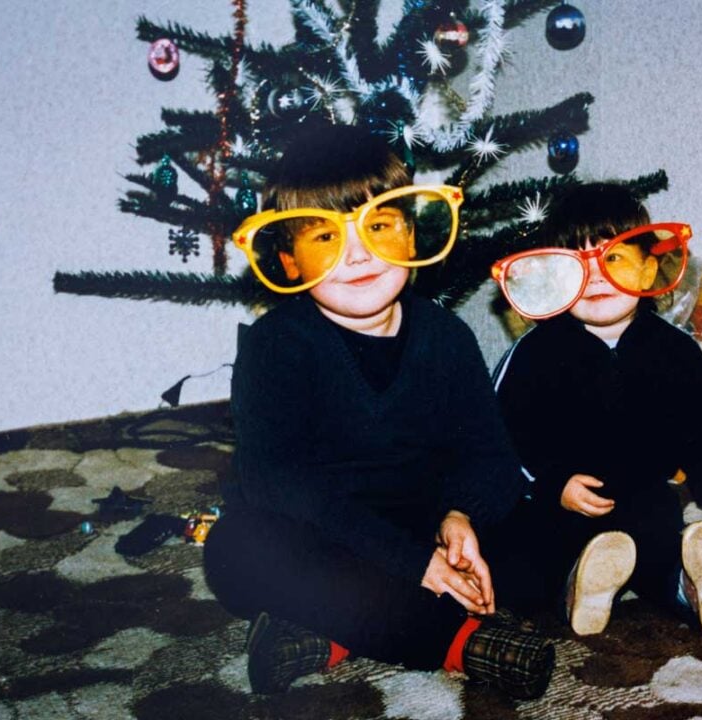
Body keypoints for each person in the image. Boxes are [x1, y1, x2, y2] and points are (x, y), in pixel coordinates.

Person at [203, 123, 554, 700]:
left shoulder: (447, 336)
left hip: (419, 519)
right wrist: (413, 564)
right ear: (288, 261)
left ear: (411, 236)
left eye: (380, 225)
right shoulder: (275, 346)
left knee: (533, 537)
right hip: (320, 528)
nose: (358, 253)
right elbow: (278, 482)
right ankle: (455, 642)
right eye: (325, 236)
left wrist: (460, 516)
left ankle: (331, 631)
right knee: (237, 552)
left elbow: (490, 453)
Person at [485, 182, 702, 636]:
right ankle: (576, 587)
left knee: (658, 536)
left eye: (613, 257)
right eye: (578, 265)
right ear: (554, 280)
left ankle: (689, 587)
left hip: (639, 495)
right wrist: (553, 484)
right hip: (556, 501)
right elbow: (502, 433)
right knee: (520, 562)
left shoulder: (676, 351)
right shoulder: (535, 353)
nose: (596, 277)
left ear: (649, 269)